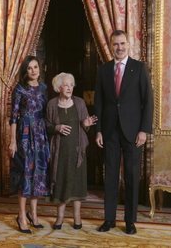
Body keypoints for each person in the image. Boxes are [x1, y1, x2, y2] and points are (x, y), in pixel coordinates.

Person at [94, 30, 153, 234]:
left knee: (131, 175)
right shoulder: (103, 70)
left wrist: (144, 130)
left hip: (133, 132)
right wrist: (99, 130)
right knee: (110, 176)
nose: (119, 48)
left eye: (122, 43)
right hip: (110, 131)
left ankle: (130, 221)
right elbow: (99, 103)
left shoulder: (139, 68)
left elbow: (148, 102)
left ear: (128, 45)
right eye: (115, 44)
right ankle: (109, 219)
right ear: (111, 46)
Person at [46, 72, 97, 230]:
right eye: (66, 85)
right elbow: (46, 126)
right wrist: (57, 127)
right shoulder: (52, 104)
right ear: (58, 87)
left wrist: (86, 123)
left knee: (77, 184)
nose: (69, 88)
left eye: (71, 85)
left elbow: (85, 126)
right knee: (61, 182)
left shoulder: (80, 103)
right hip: (60, 152)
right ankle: (60, 217)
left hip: (77, 152)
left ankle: (77, 217)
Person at [9, 55, 50, 234]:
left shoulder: (44, 88)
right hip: (24, 135)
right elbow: (13, 117)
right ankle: (21, 215)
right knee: (25, 173)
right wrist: (12, 141)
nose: (33, 70)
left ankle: (33, 213)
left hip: (40, 135)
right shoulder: (19, 89)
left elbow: (48, 113)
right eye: (30, 68)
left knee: (38, 174)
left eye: (36, 67)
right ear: (25, 72)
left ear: (39, 69)